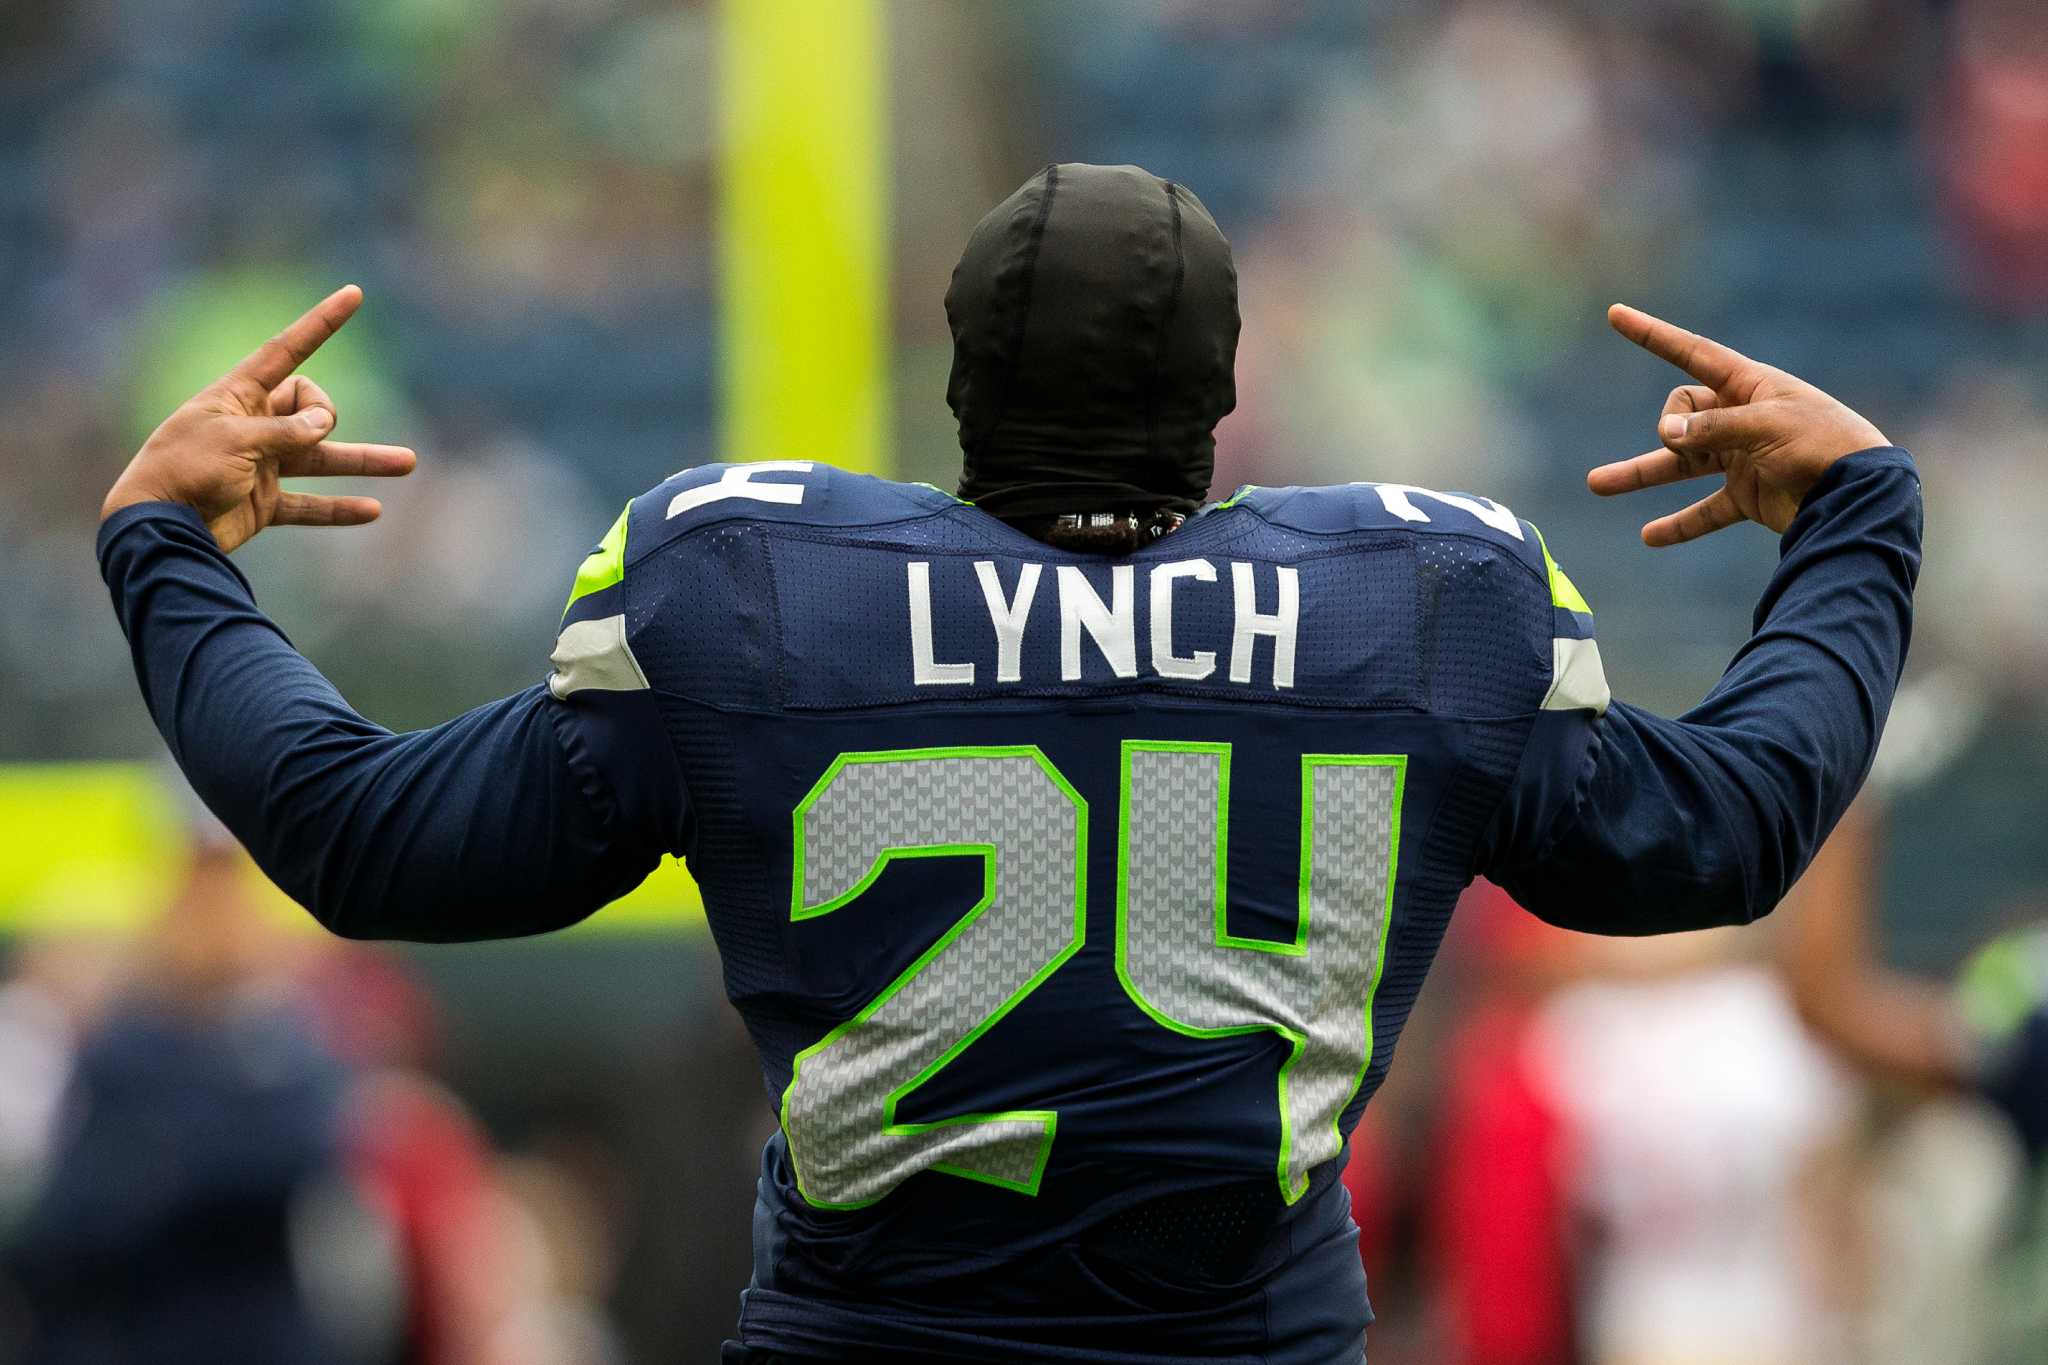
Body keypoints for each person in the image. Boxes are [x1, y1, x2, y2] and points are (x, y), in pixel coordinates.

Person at [95, 163, 1920, 1363]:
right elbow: (1730, 832)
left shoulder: (748, 585)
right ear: (1219, 407)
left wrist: (168, 550)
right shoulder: (1432, 593)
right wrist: (1853, 521)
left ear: (956, 382)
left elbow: (361, 842)